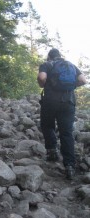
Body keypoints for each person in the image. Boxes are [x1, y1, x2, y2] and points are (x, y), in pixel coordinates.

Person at [37, 48, 87, 180]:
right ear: (60, 56)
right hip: (68, 102)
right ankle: (70, 166)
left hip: (50, 101)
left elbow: (42, 77)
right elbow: (83, 80)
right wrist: (71, 87)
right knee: (66, 133)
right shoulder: (70, 65)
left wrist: (44, 85)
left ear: (49, 57)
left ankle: (52, 151)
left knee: (47, 125)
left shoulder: (47, 64)